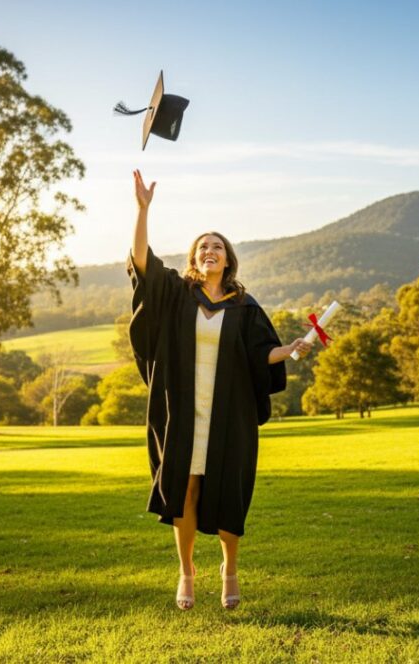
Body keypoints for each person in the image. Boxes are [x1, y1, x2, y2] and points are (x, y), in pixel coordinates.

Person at [127, 170, 313, 611]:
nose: (210, 251)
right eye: (203, 246)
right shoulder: (177, 294)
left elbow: (260, 353)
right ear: (195, 258)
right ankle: (186, 573)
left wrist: (290, 349)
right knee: (185, 489)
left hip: (228, 414)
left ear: (228, 260)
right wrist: (142, 210)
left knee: (228, 489)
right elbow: (141, 264)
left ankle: (230, 568)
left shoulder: (245, 307)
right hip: (184, 413)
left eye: (218, 246)